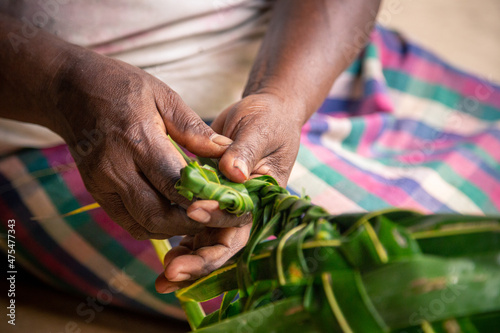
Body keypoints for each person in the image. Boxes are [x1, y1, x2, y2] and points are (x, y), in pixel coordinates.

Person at [2, 0, 500, 319]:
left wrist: (283, 96)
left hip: (311, 59)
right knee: (404, 285)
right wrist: (61, 84)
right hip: (68, 139)